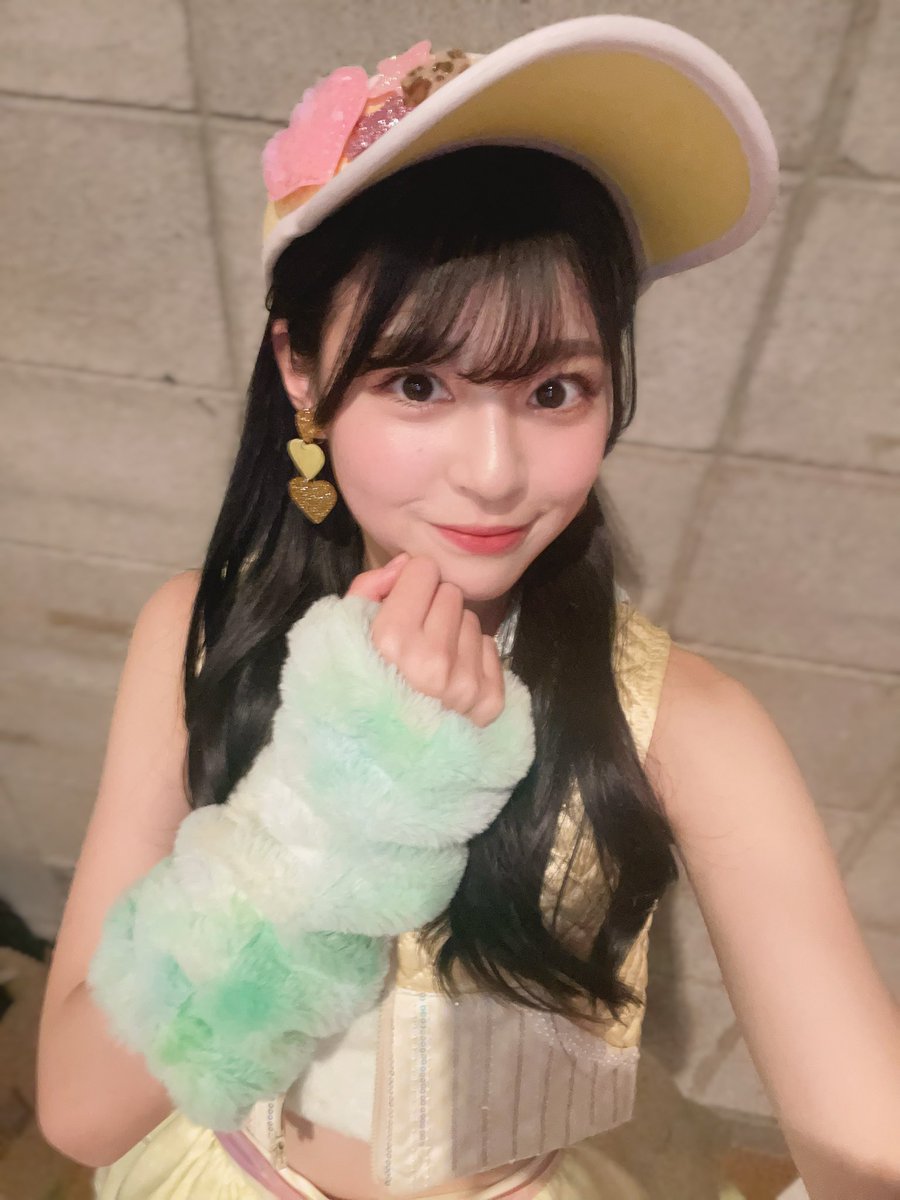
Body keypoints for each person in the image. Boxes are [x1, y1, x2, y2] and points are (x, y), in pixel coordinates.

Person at [34, 15, 900, 1200]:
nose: (494, 473)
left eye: (555, 389)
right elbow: (82, 1110)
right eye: (418, 382)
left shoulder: (684, 725)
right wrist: (336, 810)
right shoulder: (196, 638)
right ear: (300, 371)